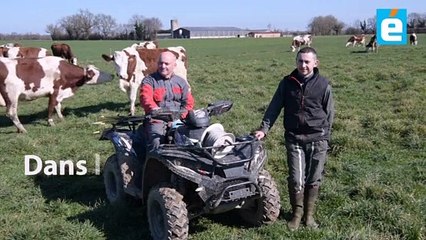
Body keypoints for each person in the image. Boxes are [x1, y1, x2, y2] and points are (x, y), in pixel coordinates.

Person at [254, 47, 334, 230]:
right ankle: (296, 214)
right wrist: (264, 129)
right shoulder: (286, 83)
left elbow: (329, 113)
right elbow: (274, 106)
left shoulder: (323, 84)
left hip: (318, 138)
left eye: (307, 62)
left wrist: (326, 137)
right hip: (294, 138)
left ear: (315, 63)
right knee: (297, 179)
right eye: (300, 61)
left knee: (314, 178)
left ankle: (309, 216)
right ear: (296, 62)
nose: (303, 65)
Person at [139, 51, 194, 150]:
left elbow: (188, 102)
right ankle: (153, 164)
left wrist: (179, 118)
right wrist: (157, 111)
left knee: (194, 139)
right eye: (160, 63)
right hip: (157, 120)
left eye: (166, 64)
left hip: (179, 119)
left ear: (174, 65)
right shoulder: (149, 81)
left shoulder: (181, 82)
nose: (163, 66)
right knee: (157, 143)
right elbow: (145, 99)